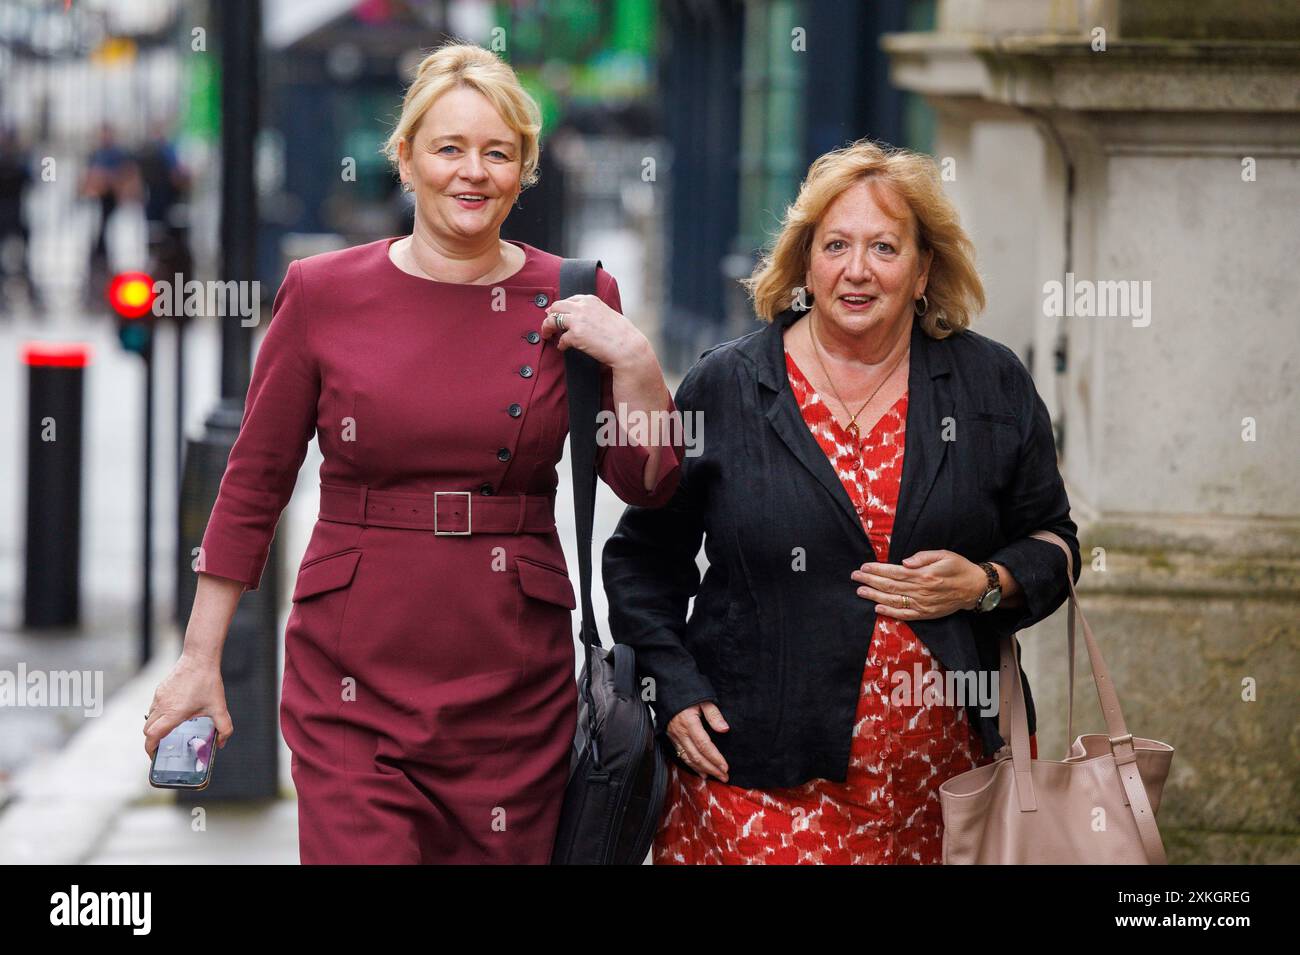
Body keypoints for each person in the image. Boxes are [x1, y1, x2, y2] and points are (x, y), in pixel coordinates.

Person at [144, 41, 684, 864]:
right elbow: (254, 483)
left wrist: (639, 364)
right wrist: (197, 659)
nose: (474, 172)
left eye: (498, 152)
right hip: (353, 674)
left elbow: (645, 484)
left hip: (514, 680)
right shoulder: (322, 292)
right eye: (449, 148)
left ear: (524, 169)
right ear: (405, 159)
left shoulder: (580, 294)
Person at [602, 139, 1081, 864]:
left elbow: (1055, 541)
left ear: (923, 270)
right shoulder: (724, 387)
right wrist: (671, 687)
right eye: (836, 245)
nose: (857, 270)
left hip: (944, 799)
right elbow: (642, 560)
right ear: (804, 264)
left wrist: (985, 585)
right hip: (753, 793)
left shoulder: (990, 384)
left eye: (886, 247)